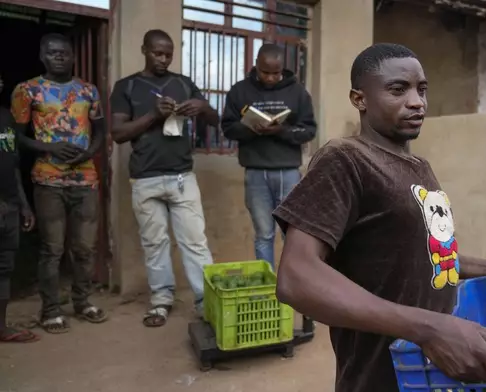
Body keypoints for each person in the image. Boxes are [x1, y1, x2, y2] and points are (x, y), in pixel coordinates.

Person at [272, 43, 486, 392]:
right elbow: (297, 278)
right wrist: (429, 328)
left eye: (421, 89)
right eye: (397, 89)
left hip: (430, 373)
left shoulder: (419, 166)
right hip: (381, 376)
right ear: (359, 99)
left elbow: (423, 253)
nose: (417, 101)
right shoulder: (345, 160)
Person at [110, 29, 219, 328]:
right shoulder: (127, 87)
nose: (163, 59)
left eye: (168, 53)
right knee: (154, 243)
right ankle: (160, 301)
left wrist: (203, 107)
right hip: (145, 179)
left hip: (182, 176)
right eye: (157, 53)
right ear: (144, 49)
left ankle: (206, 302)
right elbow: (118, 134)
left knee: (195, 243)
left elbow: (215, 120)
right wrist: (152, 117)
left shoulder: (183, 83)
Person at [11, 33, 108, 334]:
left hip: (85, 180)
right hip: (48, 180)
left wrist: (90, 153)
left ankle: (82, 301)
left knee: (85, 248)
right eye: (53, 53)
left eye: (64, 53)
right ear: (43, 55)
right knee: (51, 249)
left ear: (73, 56)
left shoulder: (88, 91)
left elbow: (101, 131)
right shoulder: (27, 91)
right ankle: (50, 310)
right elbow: (13, 136)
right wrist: (48, 148)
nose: (59, 57)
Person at [222, 43, 316, 270]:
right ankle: (268, 288)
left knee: (290, 235)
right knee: (263, 234)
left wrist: (280, 130)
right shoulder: (239, 91)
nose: (272, 78)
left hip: (288, 171)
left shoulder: (297, 92)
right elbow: (227, 128)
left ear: (282, 68)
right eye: (266, 72)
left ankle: (292, 285)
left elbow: (309, 131)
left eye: (276, 73)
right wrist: (251, 128)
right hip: (255, 171)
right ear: (256, 66)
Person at [0, 74, 38, 343]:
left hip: (8, 205)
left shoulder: (5, 118)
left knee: (4, 268)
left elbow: (11, 163)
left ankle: (1, 328)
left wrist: (23, 205)